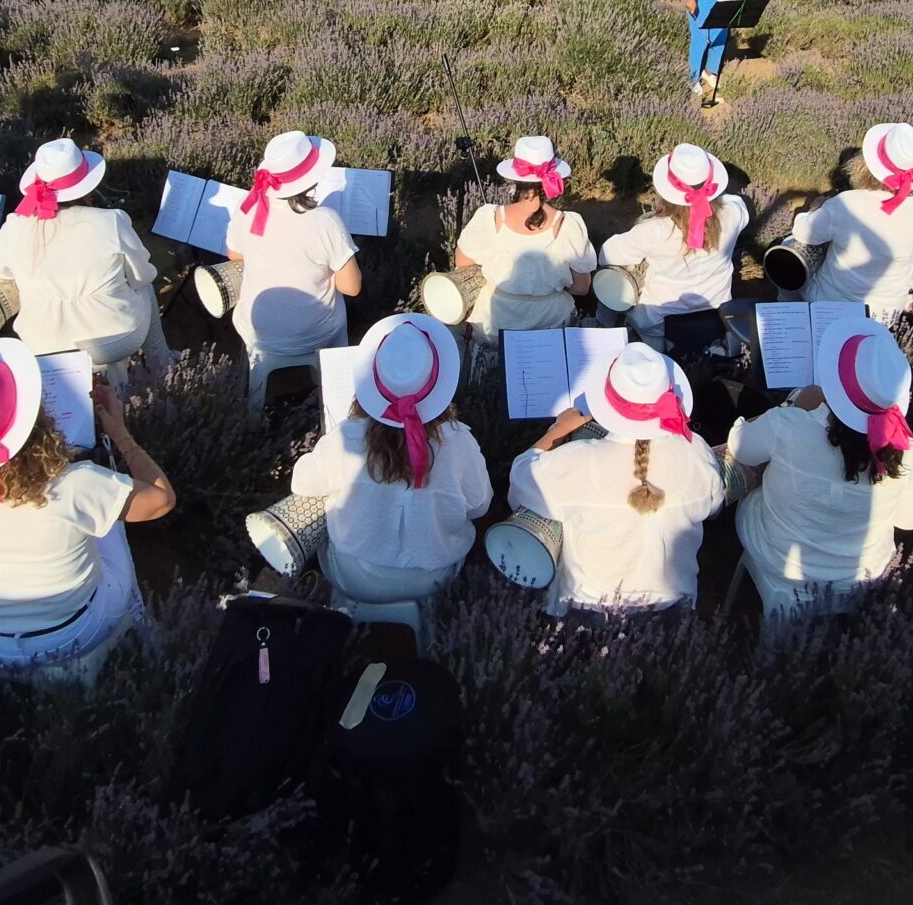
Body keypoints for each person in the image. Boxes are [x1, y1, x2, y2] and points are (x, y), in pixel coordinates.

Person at [0, 339, 174, 683]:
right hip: (72, 634)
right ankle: (140, 627)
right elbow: (162, 499)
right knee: (111, 518)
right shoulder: (76, 485)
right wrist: (120, 433)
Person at [726, 318, 913, 621]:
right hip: (861, 572)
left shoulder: (791, 426)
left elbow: (739, 445)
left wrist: (792, 406)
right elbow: (910, 521)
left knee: (756, 483)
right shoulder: (907, 451)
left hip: (778, 555)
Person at [507, 343, 725, 617]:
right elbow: (713, 506)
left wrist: (558, 430)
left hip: (588, 610)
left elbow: (520, 481)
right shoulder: (696, 452)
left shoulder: (576, 461)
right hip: (673, 610)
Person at [289, 314, 492, 606]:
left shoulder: (348, 436)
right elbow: (479, 506)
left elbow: (302, 482)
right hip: (433, 578)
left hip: (355, 577)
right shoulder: (459, 440)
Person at [0, 139, 171, 376]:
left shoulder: (16, 224)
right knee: (146, 290)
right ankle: (161, 364)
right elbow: (142, 276)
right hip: (114, 339)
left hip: (41, 343)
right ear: (87, 185)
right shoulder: (110, 221)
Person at [223, 131, 361, 408]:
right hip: (316, 333)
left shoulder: (248, 206)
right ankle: (333, 394)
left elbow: (234, 255)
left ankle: (254, 409)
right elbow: (352, 287)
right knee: (339, 307)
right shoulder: (325, 221)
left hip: (257, 330)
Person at [793, 122, 913, 318]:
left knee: (789, 248)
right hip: (886, 314)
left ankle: (788, 310)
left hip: (831, 305)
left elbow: (803, 233)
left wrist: (813, 209)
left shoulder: (847, 203)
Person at [599, 144, 749, 346]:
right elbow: (732, 201)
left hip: (659, 324)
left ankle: (601, 327)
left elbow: (607, 255)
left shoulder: (654, 230)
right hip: (716, 316)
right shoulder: (734, 213)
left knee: (610, 278)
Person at [453, 136, 595, 336]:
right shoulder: (568, 224)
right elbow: (582, 287)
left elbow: (461, 260)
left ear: (514, 179)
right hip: (551, 323)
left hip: (495, 322)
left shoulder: (489, 217)